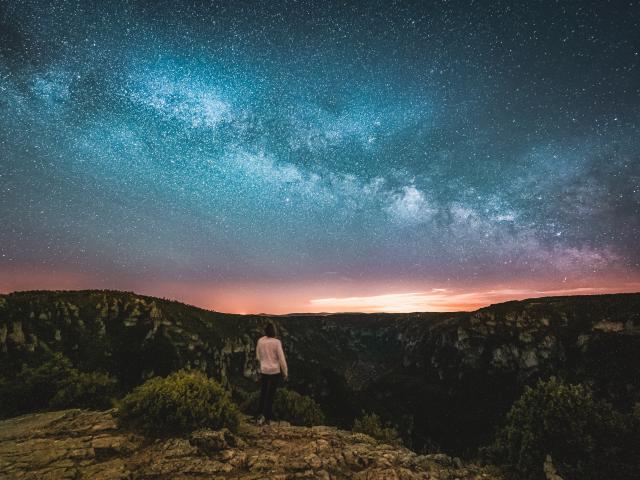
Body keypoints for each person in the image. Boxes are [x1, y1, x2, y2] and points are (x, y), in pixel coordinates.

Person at [255, 323, 288, 425]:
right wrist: (285, 372)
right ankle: (267, 417)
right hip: (274, 372)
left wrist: (264, 362)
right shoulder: (277, 342)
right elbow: (281, 359)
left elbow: (258, 356)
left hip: (264, 370)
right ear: (274, 331)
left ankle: (259, 415)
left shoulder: (260, 341)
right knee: (271, 395)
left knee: (263, 393)